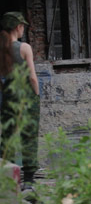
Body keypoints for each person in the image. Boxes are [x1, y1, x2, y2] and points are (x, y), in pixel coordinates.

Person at [0, 12, 40, 188]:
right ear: (18, 27)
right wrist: (36, 94)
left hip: (9, 96)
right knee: (28, 136)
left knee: (8, 136)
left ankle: (8, 179)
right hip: (27, 98)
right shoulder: (24, 47)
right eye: (22, 26)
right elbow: (32, 77)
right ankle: (29, 182)